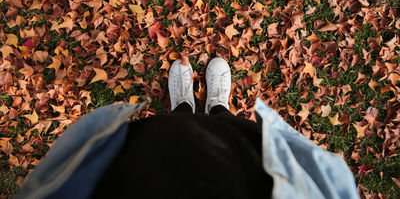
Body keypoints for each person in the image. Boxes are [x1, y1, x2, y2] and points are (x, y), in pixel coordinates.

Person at [16, 57, 359, 199]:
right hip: (251, 178)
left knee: (170, 131)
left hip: (132, 177)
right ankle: (217, 107)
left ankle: (183, 108)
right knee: (231, 132)